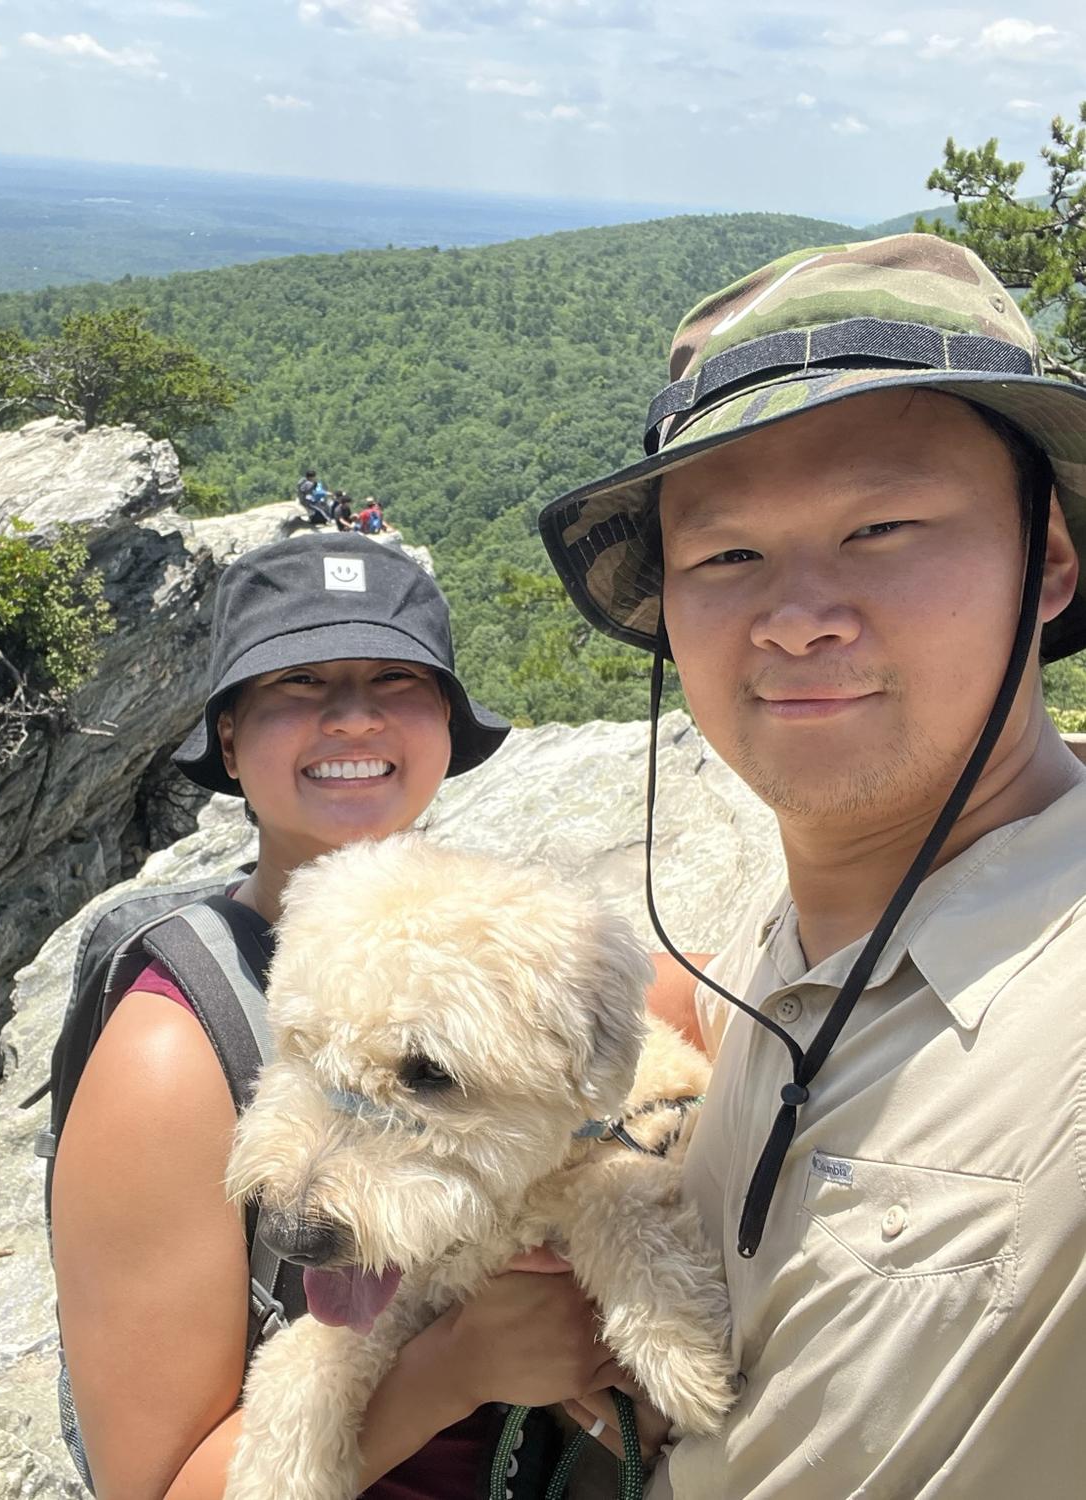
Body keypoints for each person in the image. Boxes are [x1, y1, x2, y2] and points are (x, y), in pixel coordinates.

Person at [539, 231, 1086, 1498]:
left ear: (1048, 559)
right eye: (726, 556)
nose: (797, 614)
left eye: (883, 527)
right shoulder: (782, 945)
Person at [50, 534, 649, 1499]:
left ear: (447, 727)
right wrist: (458, 1367)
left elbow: (666, 1008)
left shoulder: (483, 961)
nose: (353, 716)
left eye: (394, 678)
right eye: (298, 681)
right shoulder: (171, 1050)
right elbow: (156, 1486)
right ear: (232, 738)